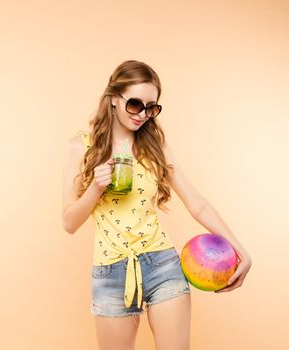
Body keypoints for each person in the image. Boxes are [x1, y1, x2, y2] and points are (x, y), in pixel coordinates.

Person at [61, 59, 252, 350]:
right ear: (114, 98)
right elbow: (69, 223)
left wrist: (240, 249)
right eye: (135, 104)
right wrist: (95, 189)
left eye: (152, 107)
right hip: (111, 272)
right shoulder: (80, 147)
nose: (143, 115)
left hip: (161, 264)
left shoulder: (155, 146)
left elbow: (196, 203)